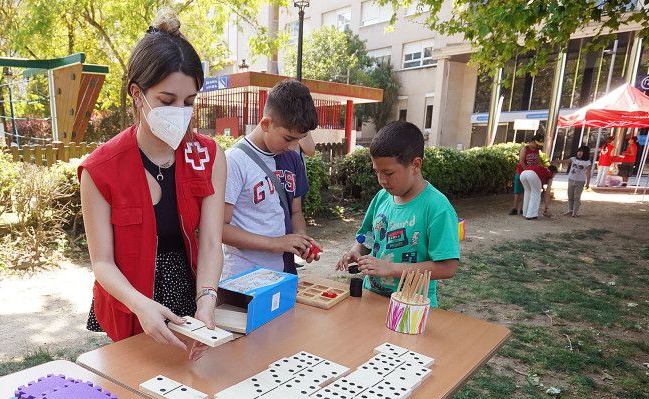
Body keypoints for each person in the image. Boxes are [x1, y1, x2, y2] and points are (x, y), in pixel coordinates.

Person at [78, 12, 226, 358]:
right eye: (166, 100)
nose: (180, 111)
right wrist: (141, 305)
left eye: (189, 102)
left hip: (187, 292)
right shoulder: (100, 169)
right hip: (128, 300)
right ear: (137, 94)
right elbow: (102, 263)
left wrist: (206, 299)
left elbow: (209, 242)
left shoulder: (208, 156)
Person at [335, 121, 460, 308]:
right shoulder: (382, 197)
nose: (381, 180)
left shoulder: (437, 207)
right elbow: (367, 236)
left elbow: (448, 267)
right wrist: (355, 251)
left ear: (415, 165)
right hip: (371, 297)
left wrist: (392, 269)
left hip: (412, 306)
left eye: (388, 172)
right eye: (377, 172)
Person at [223, 79, 319, 278]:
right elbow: (220, 229)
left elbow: (296, 211)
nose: (293, 147)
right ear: (266, 124)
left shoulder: (292, 159)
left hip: (283, 274)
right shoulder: (234, 161)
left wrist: (301, 240)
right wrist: (275, 243)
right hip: (243, 278)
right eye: (288, 138)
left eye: (299, 140)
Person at [510, 135, 544, 215]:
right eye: (536, 143)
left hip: (531, 174)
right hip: (521, 172)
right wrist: (526, 170)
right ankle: (515, 208)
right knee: (518, 191)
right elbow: (521, 161)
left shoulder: (537, 150)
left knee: (527, 191)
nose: (537, 145)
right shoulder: (525, 149)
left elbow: (537, 161)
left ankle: (523, 208)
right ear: (532, 142)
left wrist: (541, 169)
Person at [565, 145, 592, 217]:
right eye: (579, 151)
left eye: (582, 152)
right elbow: (565, 161)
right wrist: (555, 161)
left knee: (577, 197)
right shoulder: (573, 159)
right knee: (570, 196)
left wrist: (588, 183)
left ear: (585, 153)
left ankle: (575, 212)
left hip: (580, 181)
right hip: (571, 179)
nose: (579, 153)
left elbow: (588, 172)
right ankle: (570, 210)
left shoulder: (587, 162)